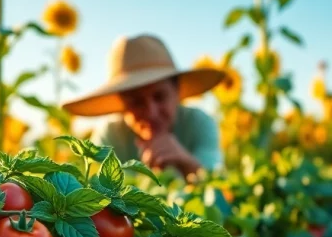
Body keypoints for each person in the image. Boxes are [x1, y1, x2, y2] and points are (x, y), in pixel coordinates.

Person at [60, 34, 227, 179]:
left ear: (176, 93)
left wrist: (188, 164)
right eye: (136, 102)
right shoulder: (110, 137)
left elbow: (220, 195)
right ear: (123, 106)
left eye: (159, 97)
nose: (151, 112)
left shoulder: (199, 123)